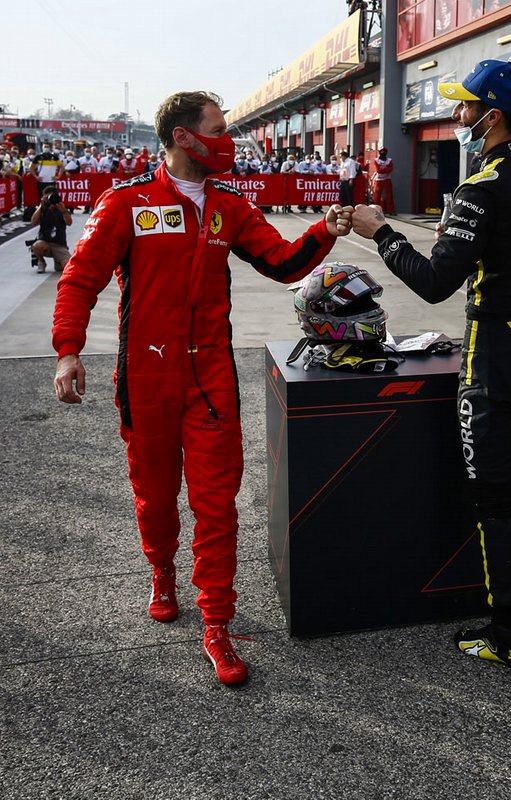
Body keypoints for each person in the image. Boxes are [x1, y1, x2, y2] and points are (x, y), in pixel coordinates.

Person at [51, 90, 353, 686]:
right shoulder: (126, 205)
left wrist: (325, 229)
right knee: (157, 499)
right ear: (183, 137)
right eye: (217, 130)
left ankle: (217, 622)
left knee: (217, 506)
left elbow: (284, 262)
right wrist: (67, 352)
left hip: (210, 376)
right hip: (146, 377)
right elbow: (79, 279)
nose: (228, 140)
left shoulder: (228, 206)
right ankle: (161, 571)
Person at [351, 59, 511, 672]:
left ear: (492, 116)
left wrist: (380, 233)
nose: (456, 116)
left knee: (492, 497)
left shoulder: (482, 186)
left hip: (496, 356)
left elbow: (435, 283)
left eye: (464, 107)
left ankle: (507, 631)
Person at [31, 185, 72, 273]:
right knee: (37, 245)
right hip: (45, 243)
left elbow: (69, 223)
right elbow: (33, 222)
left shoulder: (61, 208)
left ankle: (58, 263)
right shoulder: (42, 209)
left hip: (59, 245)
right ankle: (41, 261)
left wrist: (63, 211)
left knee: (68, 268)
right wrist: (40, 206)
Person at [372, 147, 395, 215]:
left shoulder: (389, 160)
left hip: (387, 179)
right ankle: (375, 211)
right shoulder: (376, 160)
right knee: (377, 196)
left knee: (389, 195)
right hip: (379, 180)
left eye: (384, 151)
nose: (383, 153)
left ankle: (391, 210)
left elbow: (391, 169)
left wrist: (383, 169)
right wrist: (386, 168)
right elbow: (378, 170)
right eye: (381, 151)